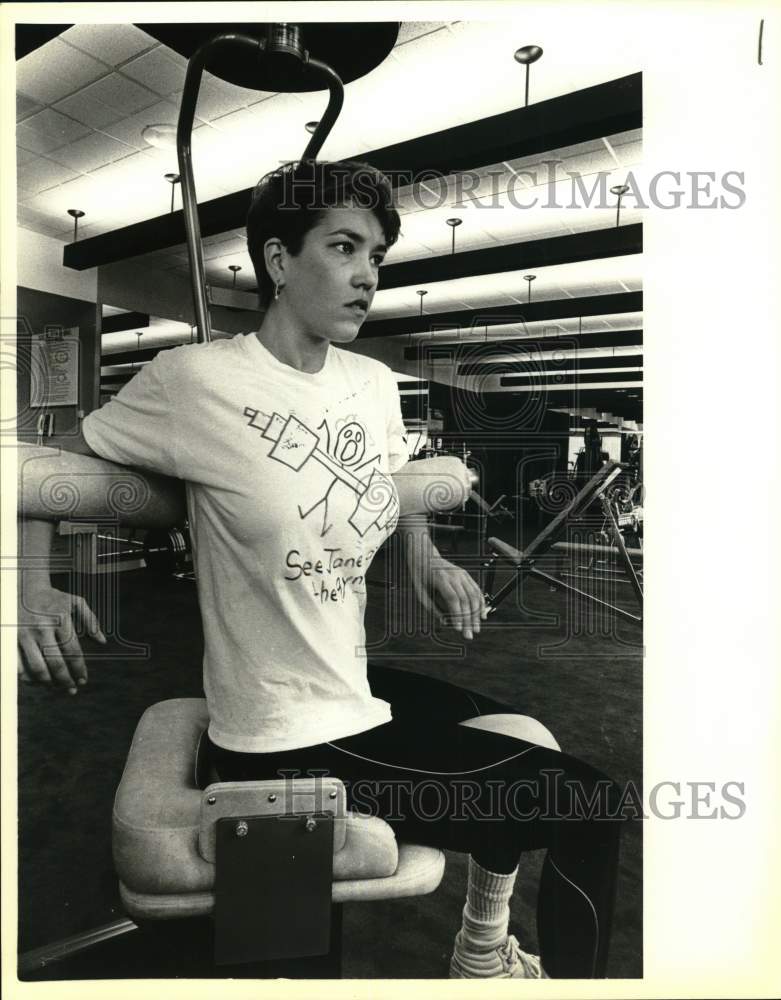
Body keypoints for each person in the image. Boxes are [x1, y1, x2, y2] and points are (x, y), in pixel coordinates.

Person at [17, 159, 623, 979]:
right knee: (589, 805)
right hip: (280, 738)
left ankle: (481, 953)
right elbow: (39, 471)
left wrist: (426, 556)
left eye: (375, 255)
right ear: (276, 261)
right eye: (343, 247)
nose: (367, 275)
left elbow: (393, 480)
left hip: (350, 691)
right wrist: (32, 586)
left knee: (513, 735)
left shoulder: (371, 383)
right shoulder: (194, 380)